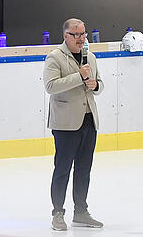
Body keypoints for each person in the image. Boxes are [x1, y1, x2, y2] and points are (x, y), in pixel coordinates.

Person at [45, 18, 104, 231]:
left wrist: (95, 84)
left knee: (84, 169)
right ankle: (57, 213)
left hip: (89, 120)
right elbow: (51, 86)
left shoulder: (91, 57)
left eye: (83, 34)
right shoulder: (55, 58)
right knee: (62, 169)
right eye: (76, 35)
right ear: (65, 35)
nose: (81, 39)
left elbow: (99, 84)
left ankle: (81, 211)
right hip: (65, 123)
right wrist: (79, 77)